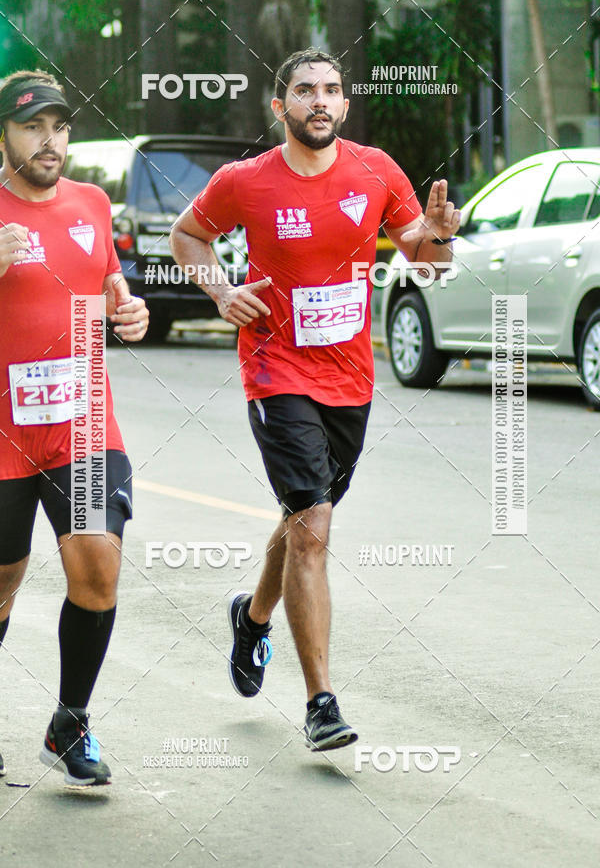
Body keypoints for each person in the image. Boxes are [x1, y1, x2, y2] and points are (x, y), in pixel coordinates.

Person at [170, 48, 459, 751]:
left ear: (346, 106)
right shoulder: (246, 182)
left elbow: (424, 255)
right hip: (276, 370)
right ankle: (321, 701)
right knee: (314, 525)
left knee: (303, 521)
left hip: (351, 379)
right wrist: (221, 290)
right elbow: (188, 234)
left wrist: (442, 237)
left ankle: (253, 614)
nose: (319, 101)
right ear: (282, 107)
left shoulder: (376, 170)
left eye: (331, 90)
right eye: (305, 91)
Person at [0, 70, 149, 784]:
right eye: (32, 126)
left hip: (82, 426)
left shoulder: (91, 203)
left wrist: (131, 315)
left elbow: (108, 293)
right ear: (4, 135)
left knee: (98, 566)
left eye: (58, 126)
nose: (49, 140)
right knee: (2, 584)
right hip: (2, 431)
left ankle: (69, 723)